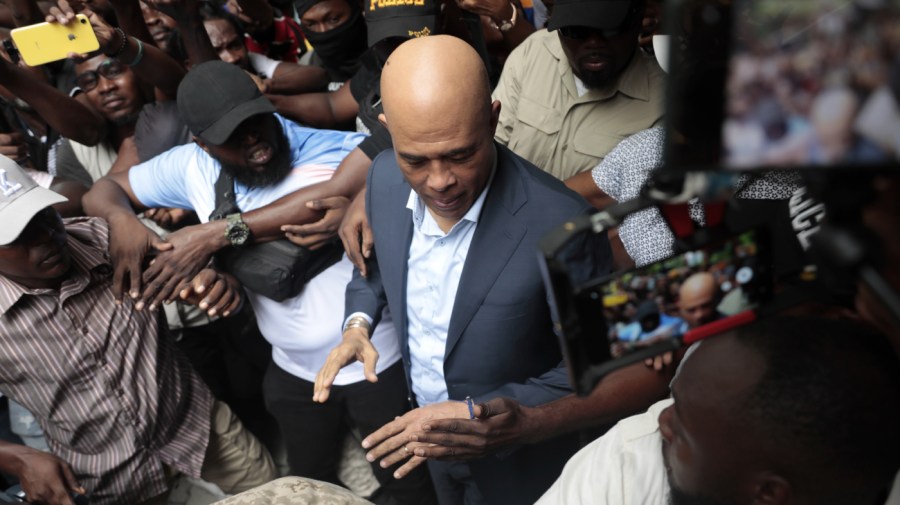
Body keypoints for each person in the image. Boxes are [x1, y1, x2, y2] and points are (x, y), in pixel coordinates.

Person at [83, 60, 437, 505]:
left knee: (408, 485)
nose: (251, 137)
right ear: (203, 145)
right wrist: (122, 221)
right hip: (292, 369)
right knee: (308, 482)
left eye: (256, 121)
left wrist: (212, 235)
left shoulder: (333, 150)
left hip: (375, 361)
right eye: (231, 134)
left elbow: (311, 204)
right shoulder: (189, 166)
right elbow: (99, 191)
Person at [313, 35, 612, 505]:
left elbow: (596, 370)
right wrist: (357, 325)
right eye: (416, 159)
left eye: (460, 154)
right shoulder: (384, 177)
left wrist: (499, 415)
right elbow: (374, 268)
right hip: (430, 449)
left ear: (492, 119)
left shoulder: (563, 223)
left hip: (521, 465)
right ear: (389, 132)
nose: (439, 182)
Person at [0, 156, 276, 505]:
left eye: (44, 217)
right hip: (107, 479)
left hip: (200, 430)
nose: (47, 239)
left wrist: (216, 286)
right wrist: (17, 457)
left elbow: (211, 282)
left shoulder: (105, 239)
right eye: (18, 236)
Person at [536, 315, 900, 505]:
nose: (662, 418)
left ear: (768, 493)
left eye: (685, 428)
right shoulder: (628, 464)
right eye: (674, 400)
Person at [491, 0, 665, 198]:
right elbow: (492, 149)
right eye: (576, 30)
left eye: (609, 29)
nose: (593, 43)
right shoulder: (532, 53)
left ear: (638, 21)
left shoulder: (664, 104)